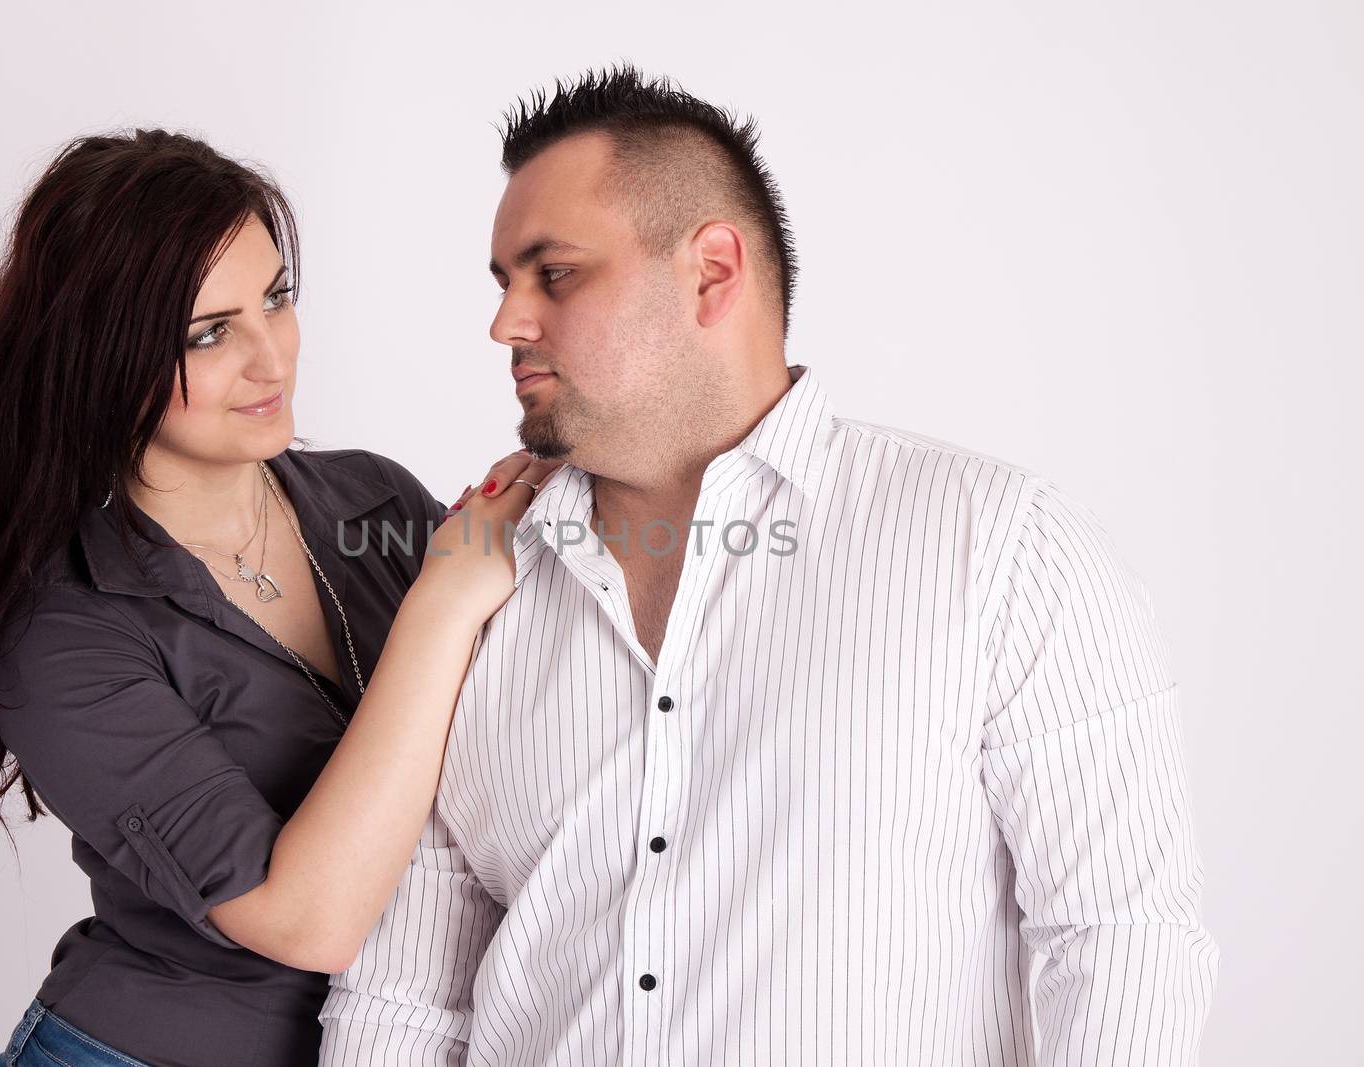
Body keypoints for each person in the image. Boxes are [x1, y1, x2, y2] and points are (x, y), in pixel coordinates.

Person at [319, 66, 1220, 1066]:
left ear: (711, 271)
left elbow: (1119, 938)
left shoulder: (998, 548)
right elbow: (405, 1000)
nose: (507, 323)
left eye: (555, 273)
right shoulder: (470, 594)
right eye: (504, 283)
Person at [0, 129, 556, 1067]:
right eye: (209, 333)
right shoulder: (61, 626)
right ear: (102, 358)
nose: (271, 360)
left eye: (275, 299)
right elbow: (307, 921)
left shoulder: (376, 500)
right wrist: (444, 600)